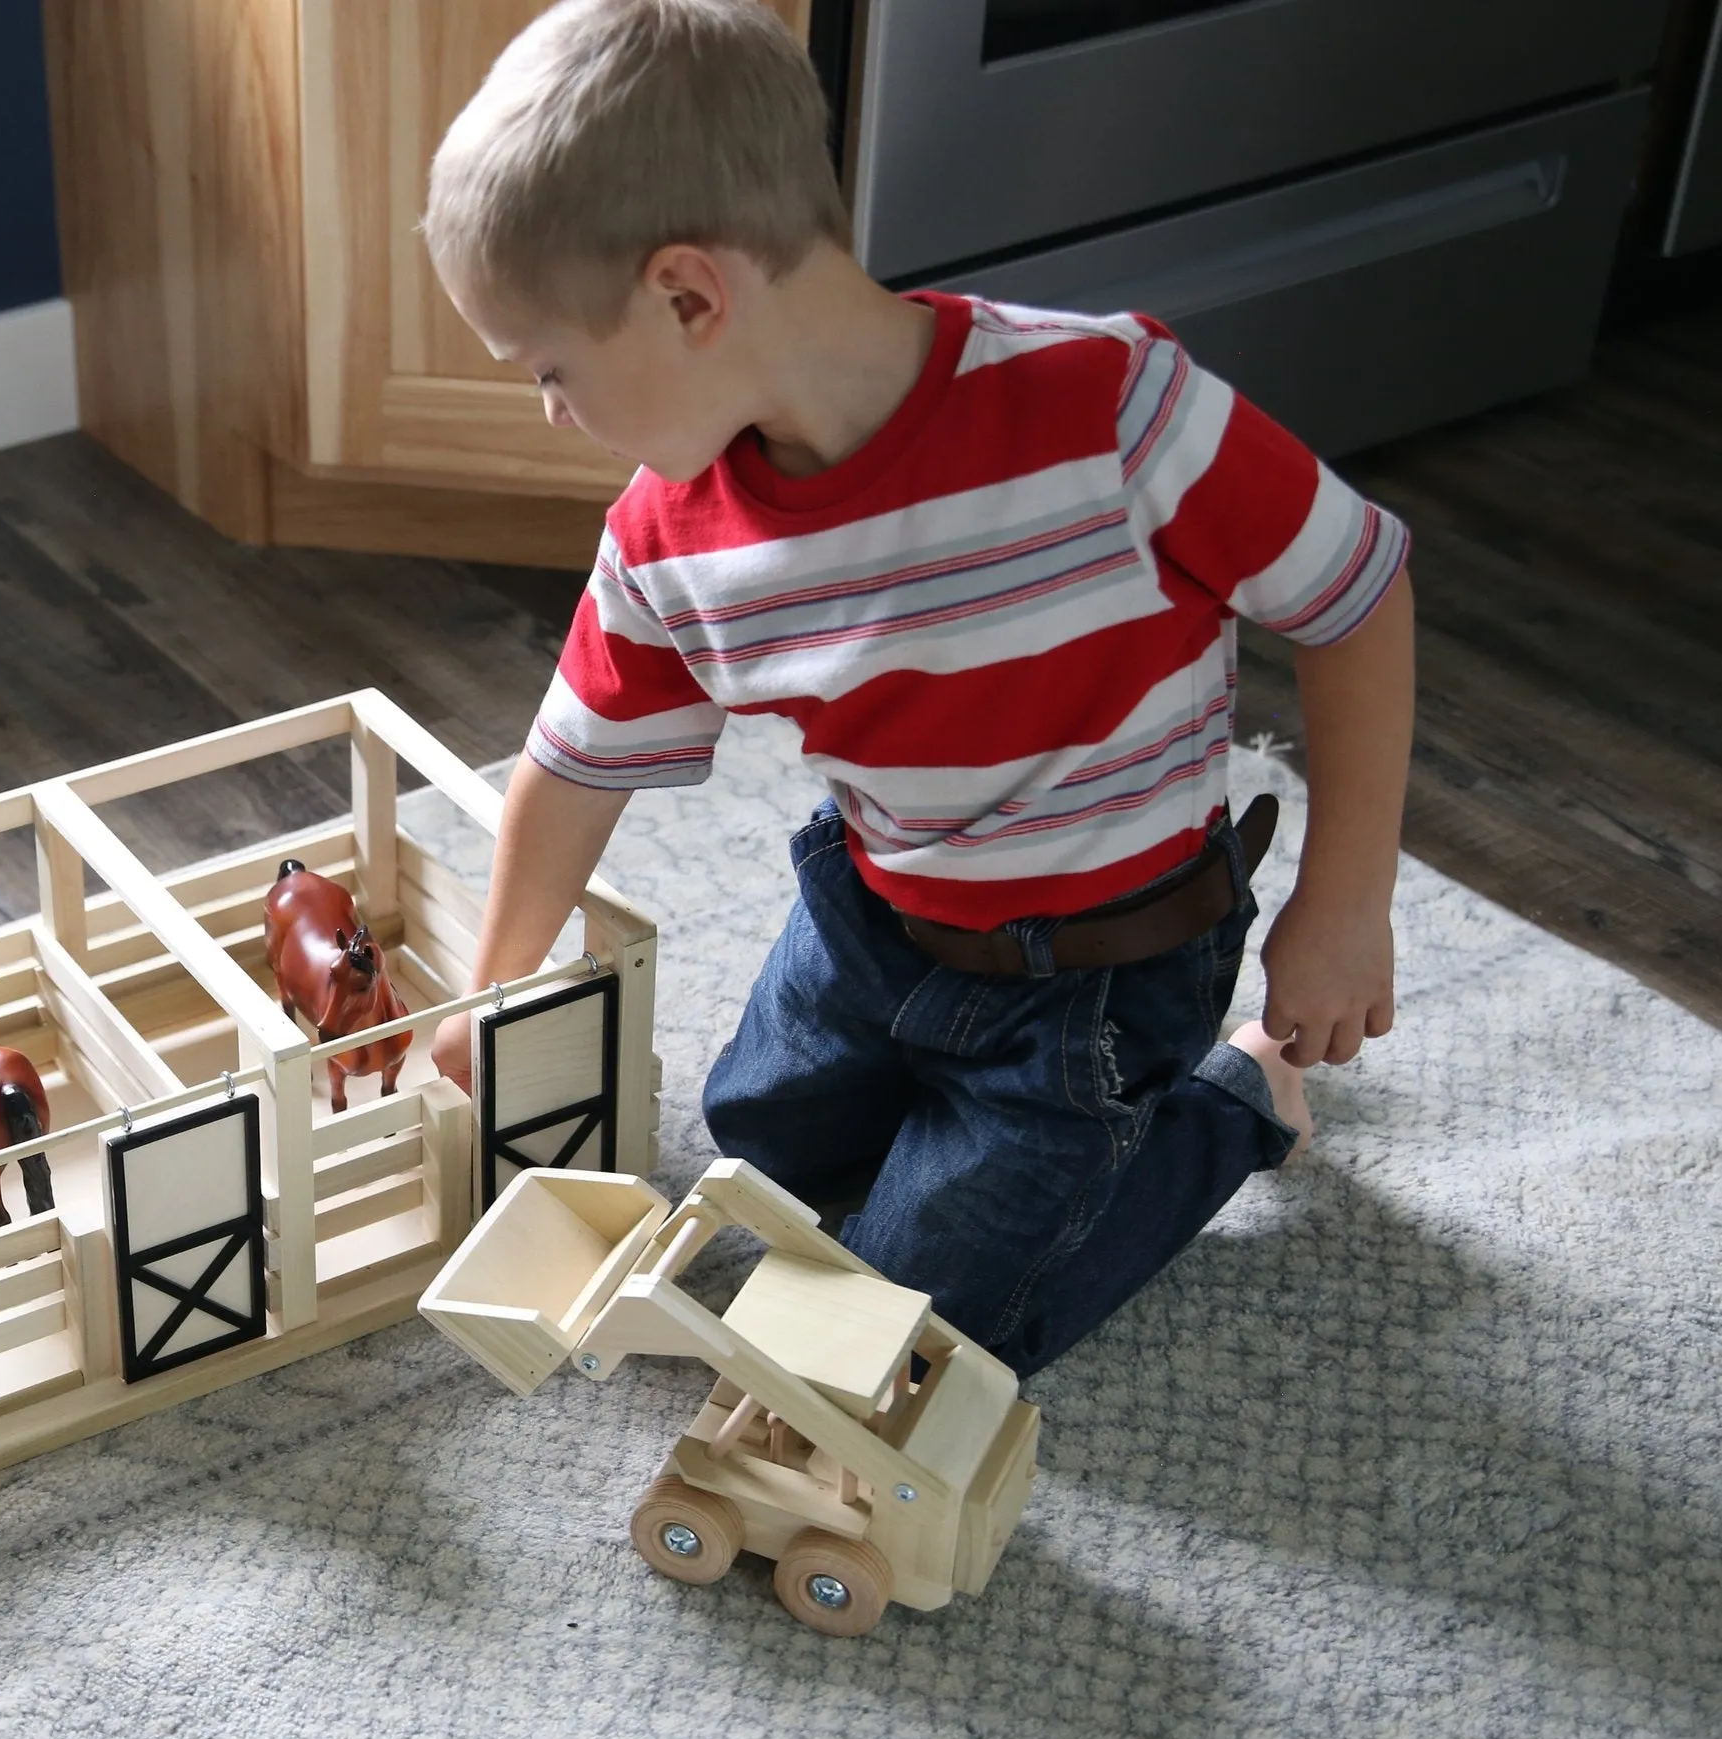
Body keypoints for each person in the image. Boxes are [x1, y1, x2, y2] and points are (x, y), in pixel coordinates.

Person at [419, 0, 1415, 1375]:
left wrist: (1345, 898)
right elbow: (576, 765)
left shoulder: (1110, 408)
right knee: (763, 1158)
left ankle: (1236, 1096)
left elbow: (1358, 593)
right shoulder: (669, 536)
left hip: (1102, 973)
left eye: (552, 370)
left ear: (688, 295)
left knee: (924, 1329)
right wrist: (488, 995)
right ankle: (992, 1142)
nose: (550, 409)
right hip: (879, 917)